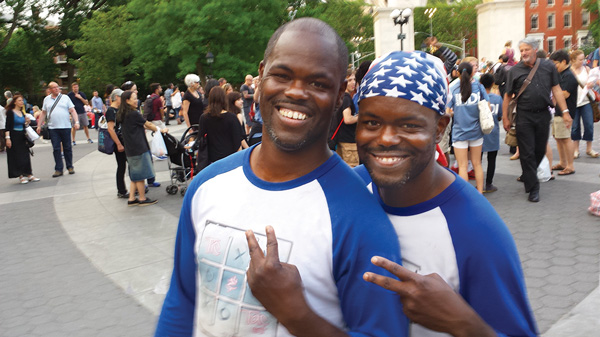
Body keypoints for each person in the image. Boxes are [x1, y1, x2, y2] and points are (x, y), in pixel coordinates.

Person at [248, 50, 538, 337]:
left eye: (409, 125)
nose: (386, 139)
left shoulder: (477, 230)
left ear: (439, 129)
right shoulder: (345, 190)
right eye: (372, 123)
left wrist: (463, 323)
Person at [155, 17, 407, 337]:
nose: (297, 92)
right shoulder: (206, 186)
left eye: (318, 83)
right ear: (261, 76)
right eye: (282, 75)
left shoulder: (363, 222)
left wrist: (296, 313)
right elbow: (182, 302)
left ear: (341, 92)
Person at [502, 37, 570, 202]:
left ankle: (528, 174)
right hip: (524, 115)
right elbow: (507, 95)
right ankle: (534, 189)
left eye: (526, 49)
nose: (524, 53)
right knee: (527, 152)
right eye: (522, 50)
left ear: (535, 49)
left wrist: (566, 112)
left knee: (539, 150)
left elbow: (557, 89)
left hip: (543, 114)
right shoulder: (514, 70)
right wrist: (505, 117)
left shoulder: (548, 66)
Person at [116, 90, 167, 206]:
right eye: (134, 98)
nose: (136, 100)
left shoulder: (122, 113)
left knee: (134, 174)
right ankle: (143, 198)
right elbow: (147, 124)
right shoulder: (133, 113)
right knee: (140, 174)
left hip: (130, 148)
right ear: (127, 101)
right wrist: (160, 129)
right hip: (138, 147)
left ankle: (132, 198)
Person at [447, 62, 488, 193]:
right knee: (477, 164)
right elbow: (487, 105)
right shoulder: (479, 87)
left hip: (459, 131)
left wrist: (456, 111)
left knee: (463, 166)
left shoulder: (453, 89)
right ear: (472, 73)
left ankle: (466, 195)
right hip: (476, 130)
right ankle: (480, 192)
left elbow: (448, 111)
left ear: (458, 73)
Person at [121, 80, 160, 188]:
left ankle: (141, 187)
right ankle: (142, 188)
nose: (137, 92)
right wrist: (158, 129)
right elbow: (144, 122)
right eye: (134, 90)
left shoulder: (126, 110)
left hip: (134, 141)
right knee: (140, 165)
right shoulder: (130, 111)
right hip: (137, 144)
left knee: (137, 166)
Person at [37, 82, 80, 177]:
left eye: (57, 87)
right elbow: (43, 113)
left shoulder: (65, 98)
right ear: (50, 90)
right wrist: (39, 125)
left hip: (65, 126)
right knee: (56, 148)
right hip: (53, 128)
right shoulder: (46, 100)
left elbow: (73, 110)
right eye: (54, 87)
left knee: (67, 147)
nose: (56, 89)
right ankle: (58, 169)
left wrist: (76, 122)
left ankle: (70, 166)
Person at [199, 86, 246, 163]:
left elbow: (201, 138)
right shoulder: (232, 117)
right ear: (224, 99)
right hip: (230, 157)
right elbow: (238, 140)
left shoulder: (204, 118)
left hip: (213, 158)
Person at [549, 50, 577, 175]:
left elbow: (564, 94)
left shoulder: (568, 75)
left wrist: (555, 96)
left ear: (564, 62)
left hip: (566, 111)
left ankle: (570, 165)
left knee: (565, 138)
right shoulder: (562, 74)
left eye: (556, 64)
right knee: (558, 137)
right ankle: (563, 162)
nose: (555, 67)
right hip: (558, 111)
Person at [570, 50, 599, 158]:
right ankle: (576, 150)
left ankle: (589, 148)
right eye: (580, 59)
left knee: (589, 125)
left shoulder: (586, 69)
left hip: (586, 101)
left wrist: (592, 83)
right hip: (574, 103)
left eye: (584, 59)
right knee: (575, 126)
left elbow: (595, 80)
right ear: (573, 60)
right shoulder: (569, 71)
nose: (583, 61)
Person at [4, 95, 40, 184]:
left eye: (22, 100)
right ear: (15, 102)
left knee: (25, 155)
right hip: (14, 135)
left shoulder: (22, 112)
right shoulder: (10, 112)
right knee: (17, 156)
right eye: (19, 100)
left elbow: (24, 125)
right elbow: (7, 126)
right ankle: (20, 175)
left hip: (22, 135)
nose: (22, 102)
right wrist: (8, 138)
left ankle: (29, 174)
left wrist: (27, 122)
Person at [105, 89, 129, 199]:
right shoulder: (111, 111)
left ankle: (126, 189)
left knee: (125, 165)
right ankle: (121, 190)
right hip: (118, 142)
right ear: (117, 97)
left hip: (123, 140)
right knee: (122, 165)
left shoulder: (118, 110)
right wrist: (119, 144)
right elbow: (110, 129)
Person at [332, 70, 358, 167]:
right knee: (352, 169)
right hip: (349, 142)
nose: (353, 83)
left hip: (341, 139)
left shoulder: (340, 97)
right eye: (349, 80)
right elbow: (348, 119)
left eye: (354, 79)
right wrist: (359, 117)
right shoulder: (347, 98)